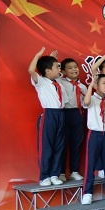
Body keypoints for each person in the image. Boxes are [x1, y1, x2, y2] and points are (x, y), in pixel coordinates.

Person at [29, 47, 67, 186]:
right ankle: (44, 176)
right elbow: (31, 70)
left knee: (59, 146)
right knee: (47, 146)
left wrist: (51, 59)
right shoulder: (41, 82)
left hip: (61, 114)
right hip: (49, 115)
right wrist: (38, 56)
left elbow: (50, 67)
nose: (60, 69)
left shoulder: (58, 84)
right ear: (47, 71)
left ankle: (54, 174)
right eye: (57, 67)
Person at [82, 74, 105, 204]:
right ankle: (87, 193)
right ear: (96, 85)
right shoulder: (92, 99)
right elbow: (86, 103)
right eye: (104, 83)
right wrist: (90, 87)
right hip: (95, 134)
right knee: (90, 164)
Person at [58, 58, 86, 181]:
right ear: (63, 71)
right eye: (70, 68)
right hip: (65, 113)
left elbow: (86, 102)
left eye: (75, 67)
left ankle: (74, 171)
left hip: (78, 114)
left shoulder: (82, 87)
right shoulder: (60, 82)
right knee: (63, 144)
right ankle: (61, 172)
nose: (74, 69)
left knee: (76, 144)